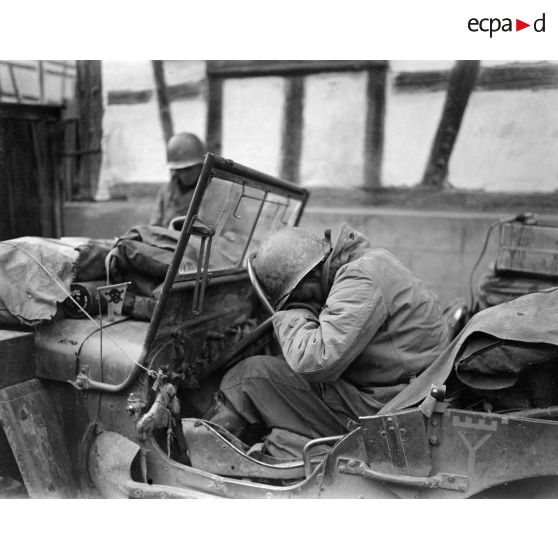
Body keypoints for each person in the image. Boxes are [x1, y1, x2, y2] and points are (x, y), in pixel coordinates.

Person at [207, 224, 450, 456]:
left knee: (248, 376)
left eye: (294, 296)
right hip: (402, 393)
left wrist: (290, 313)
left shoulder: (360, 277)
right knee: (273, 368)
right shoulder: (366, 265)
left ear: (309, 277)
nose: (301, 303)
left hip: (387, 409)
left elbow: (316, 361)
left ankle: (206, 460)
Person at [149, 132, 206, 228]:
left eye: (187, 169)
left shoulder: (211, 191)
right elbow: (154, 226)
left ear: (200, 166)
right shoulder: (166, 192)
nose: (183, 175)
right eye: (179, 170)